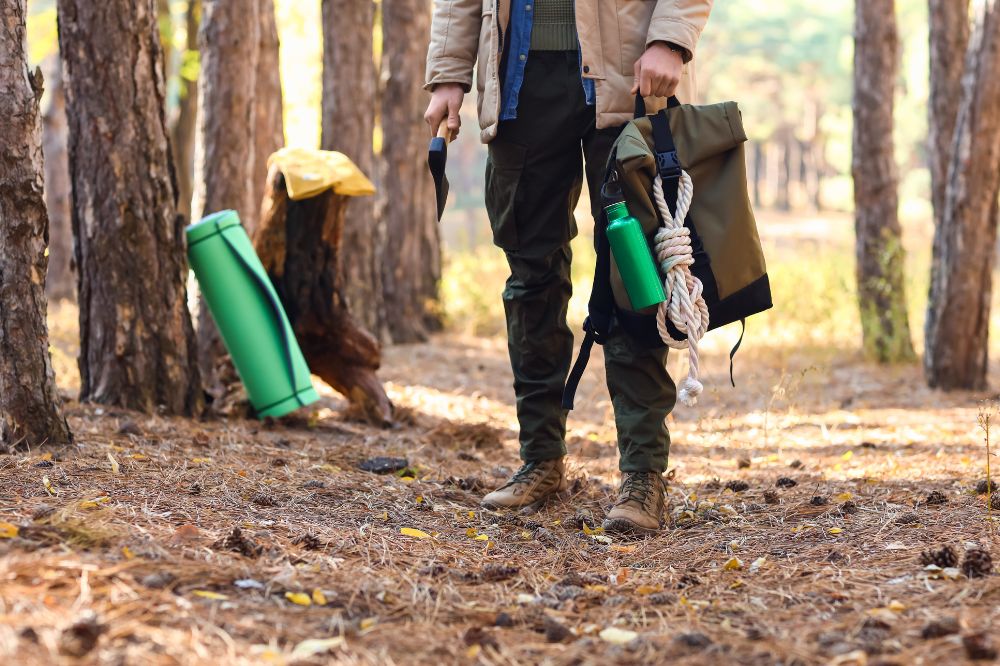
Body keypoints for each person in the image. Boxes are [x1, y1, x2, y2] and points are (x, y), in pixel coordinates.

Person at [424, 0, 713, 534]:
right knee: (531, 276)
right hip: (519, 80)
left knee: (636, 279)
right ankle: (540, 459)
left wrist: (670, 39)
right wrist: (448, 74)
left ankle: (644, 474)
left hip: (631, 78)